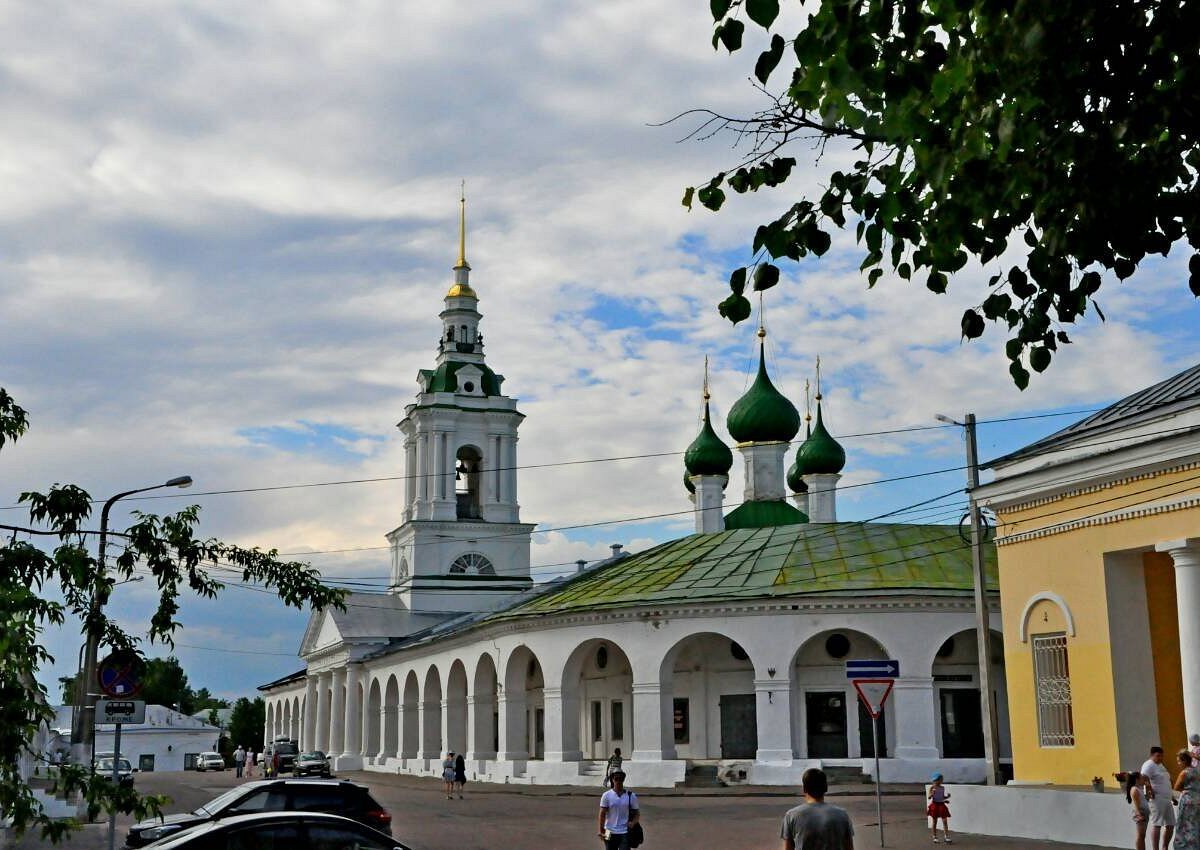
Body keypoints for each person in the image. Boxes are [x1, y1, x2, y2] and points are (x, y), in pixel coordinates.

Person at [780, 767, 855, 850]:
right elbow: (849, 847)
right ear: (826, 788)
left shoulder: (792, 815)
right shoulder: (842, 815)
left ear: (804, 789)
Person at [1141, 746, 1176, 850]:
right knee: (1157, 824)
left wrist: (1172, 797)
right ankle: (1155, 848)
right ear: (1152, 755)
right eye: (1158, 756)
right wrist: (1149, 788)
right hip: (1157, 799)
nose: (1160, 758)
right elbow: (1144, 777)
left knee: (1170, 824)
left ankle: (1165, 846)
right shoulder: (1149, 765)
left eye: (1162, 756)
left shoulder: (1160, 765)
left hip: (1167, 799)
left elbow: (1166, 781)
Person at [597, 769, 639, 849]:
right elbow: (602, 814)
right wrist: (600, 830)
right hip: (608, 831)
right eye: (616, 779)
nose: (618, 781)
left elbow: (637, 813)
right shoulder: (606, 795)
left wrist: (633, 823)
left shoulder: (631, 796)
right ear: (612, 780)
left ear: (623, 780)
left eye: (621, 779)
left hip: (624, 832)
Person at [1175, 750, 1200, 850]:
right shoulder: (1197, 771)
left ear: (1184, 761)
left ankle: (1186, 847)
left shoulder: (1184, 773)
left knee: (1185, 824)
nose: (1178, 763)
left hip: (1187, 801)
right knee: (1196, 823)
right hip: (1198, 800)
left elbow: (1176, 787)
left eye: (1179, 761)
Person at [1126, 771, 1150, 850]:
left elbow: (1145, 799)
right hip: (1141, 813)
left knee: (1142, 835)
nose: (1143, 780)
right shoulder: (1134, 789)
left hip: (1144, 813)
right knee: (1140, 835)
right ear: (1137, 779)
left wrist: (1147, 788)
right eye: (1142, 778)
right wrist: (1139, 815)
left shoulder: (1139, 788)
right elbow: (1137, 805)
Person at [927, 772, 952, 844]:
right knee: (935, 822)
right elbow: (929, 797)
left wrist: (946, 798)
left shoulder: (942, 787)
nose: (942, 781)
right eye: (941, 779)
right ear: (936, 780)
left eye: (942, 779)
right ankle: (935, 837)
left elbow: (941, 797)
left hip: (941, 805)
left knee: (945, 821)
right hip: (935, 806)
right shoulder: (932, 787)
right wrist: (932, 793)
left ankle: (946, 837)